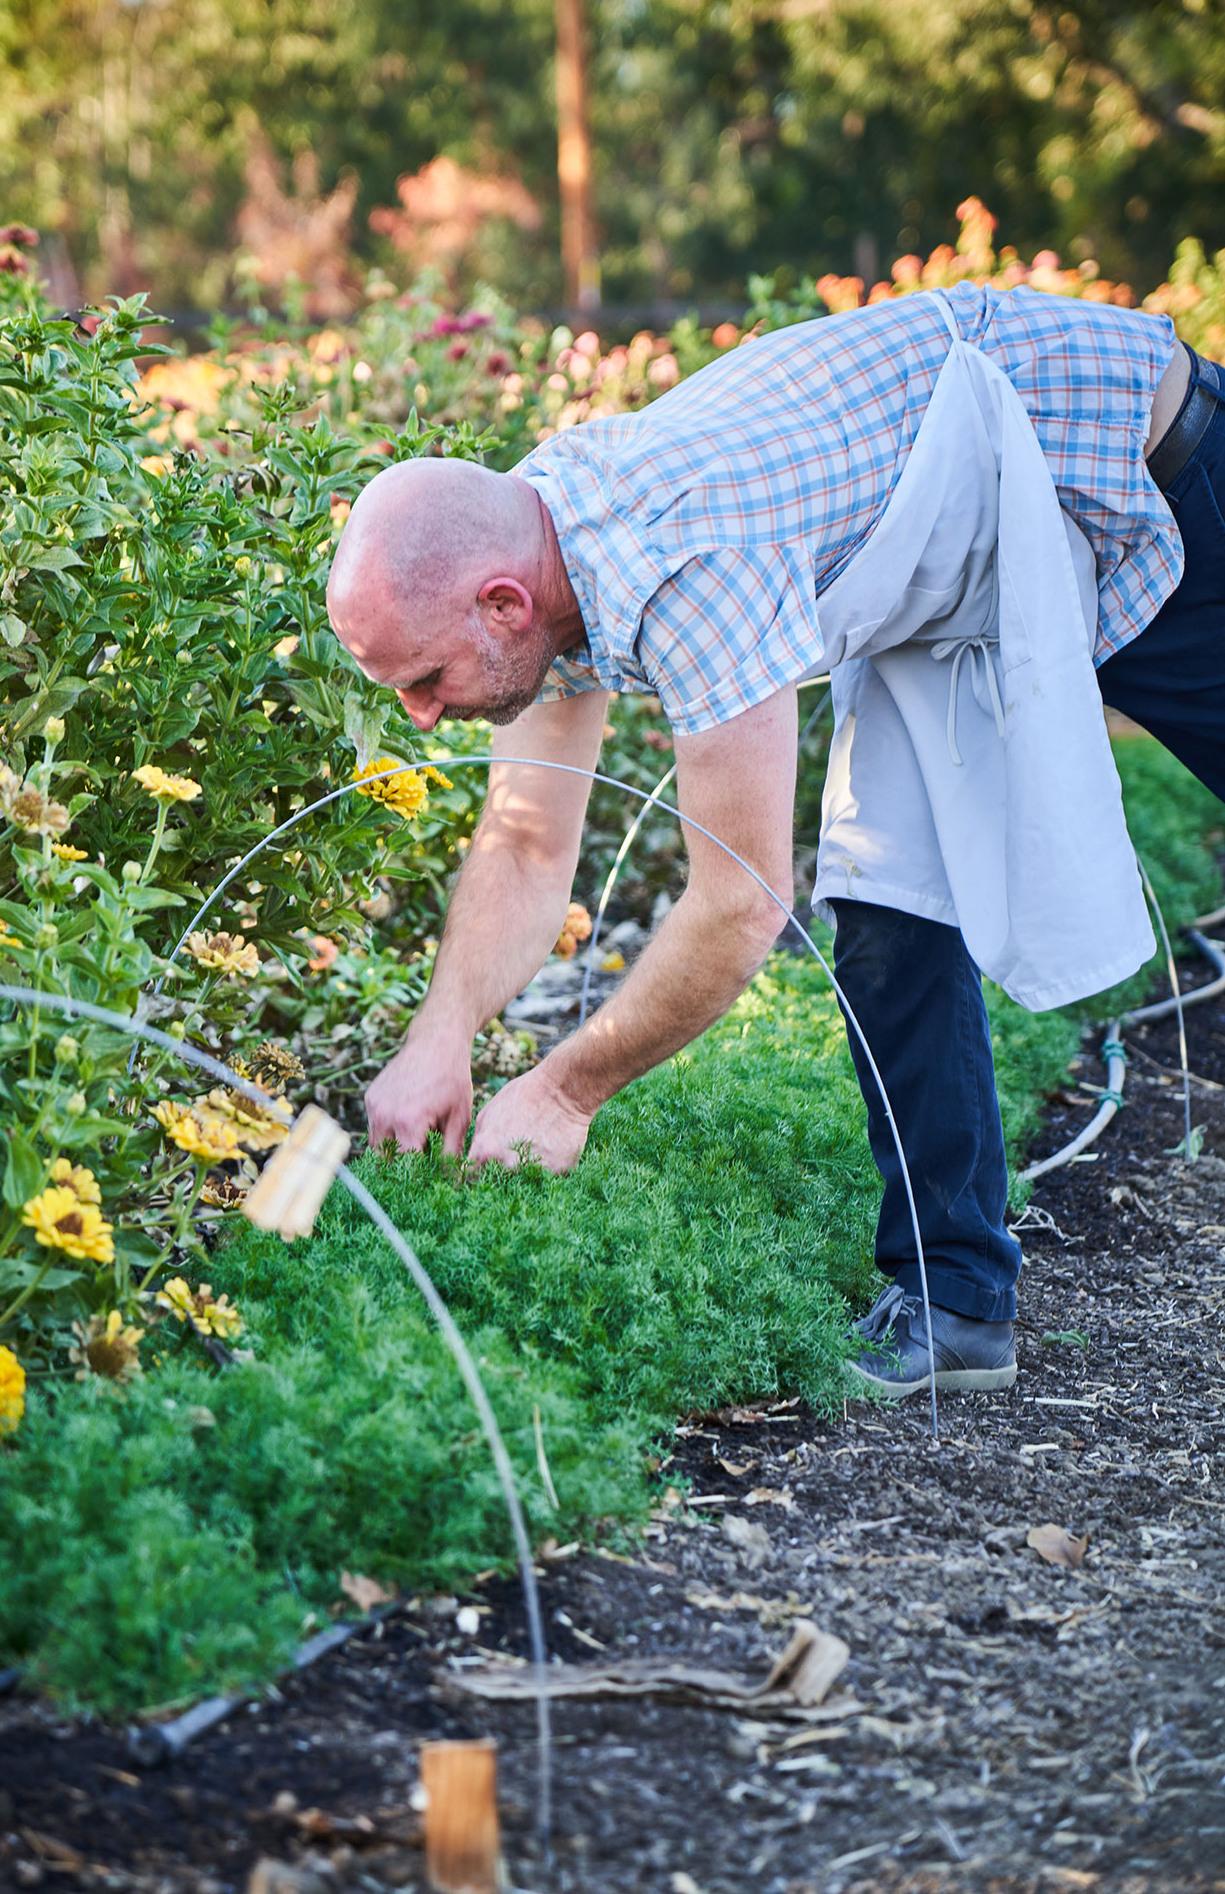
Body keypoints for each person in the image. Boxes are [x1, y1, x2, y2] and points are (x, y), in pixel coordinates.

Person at [325, 280, 1221, 1398]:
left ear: (502, 607)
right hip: (942, 545)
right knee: (889, 904)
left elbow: (740, 901)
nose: (418, 714)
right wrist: (439, 1037)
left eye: (424, 680)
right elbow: (523, 839)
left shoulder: (692, 559)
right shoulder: (551, 551)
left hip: (1128, 466)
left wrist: (560, 1095)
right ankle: (956, 1303)